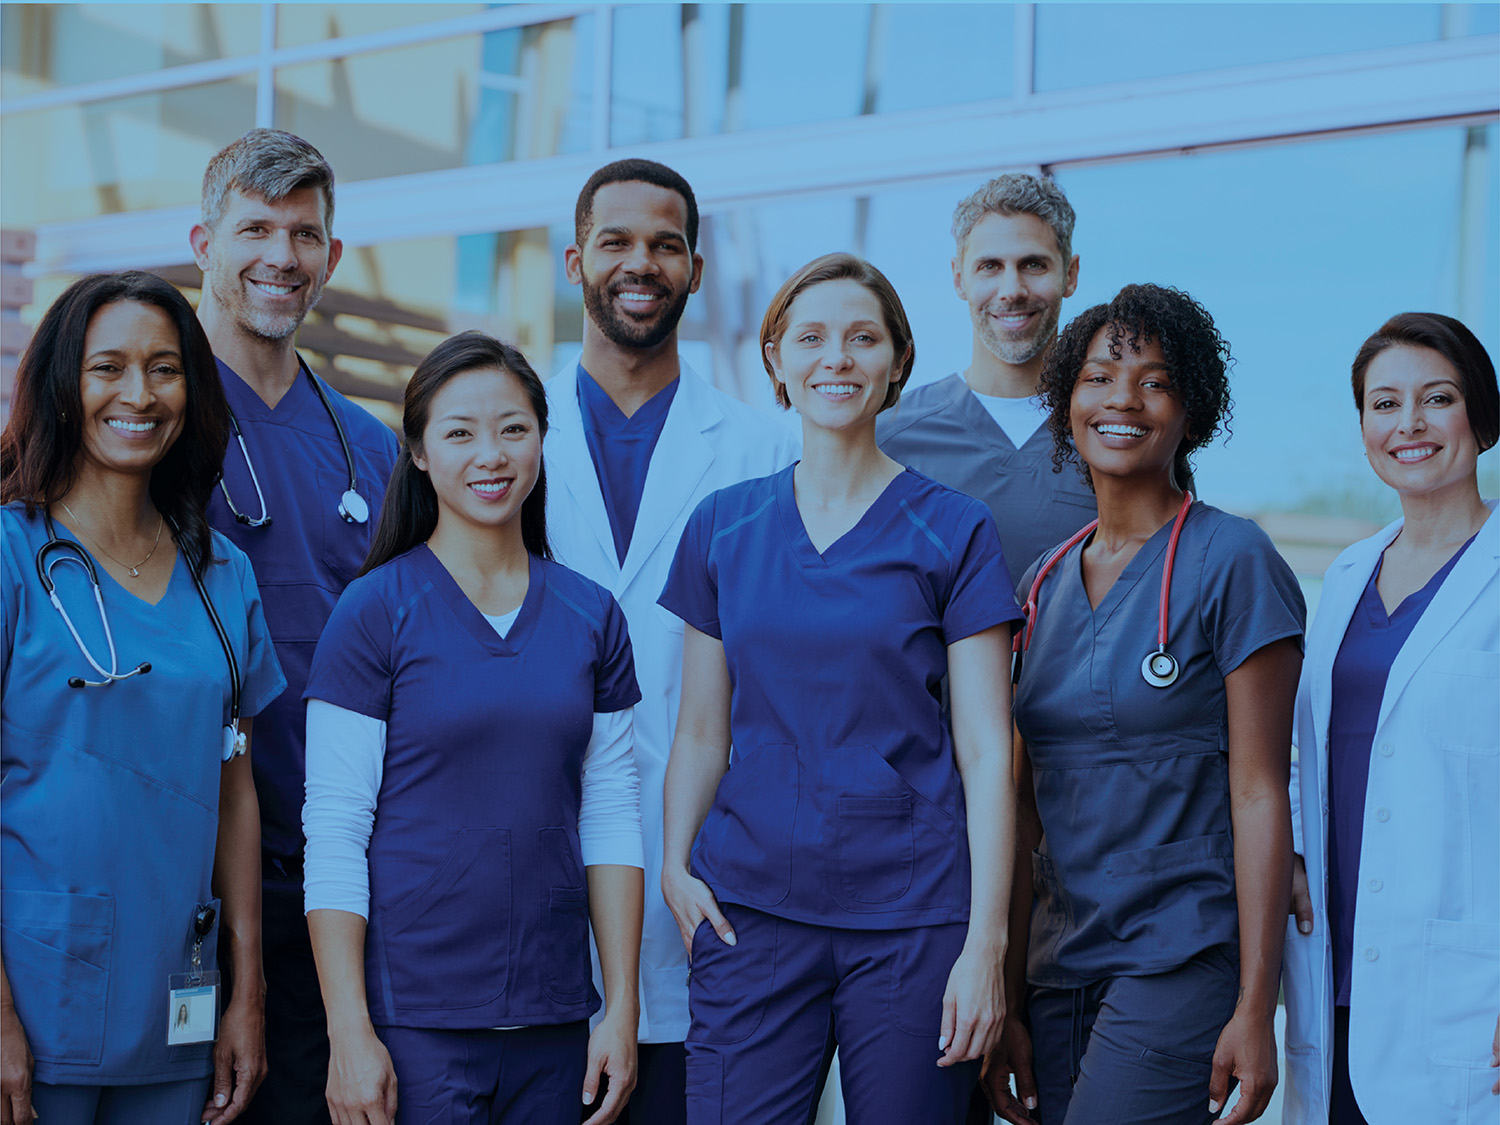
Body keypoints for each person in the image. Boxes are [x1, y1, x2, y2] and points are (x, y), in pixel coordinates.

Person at [659, 253, 1020, 1124]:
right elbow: (703, 730)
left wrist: (986, 944)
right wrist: (674, 864)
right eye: (812, 338)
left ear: (898, 359)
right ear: (775, 357)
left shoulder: (955, 529)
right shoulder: (723, 525)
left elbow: (985, 748)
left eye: (863, 339)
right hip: (752, 912)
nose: (838, 359)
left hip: (913, 920)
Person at [301, 332, 645, 1125]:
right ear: (418, 452)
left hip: (556, 1020)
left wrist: (620, 1006)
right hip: (414, 1021)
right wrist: (349, 1030)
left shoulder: (591, 614)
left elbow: (612, 814)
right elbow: (336, 832)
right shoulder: (374, 612)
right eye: (459, 432)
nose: (490, 454)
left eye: (513, 428)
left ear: (541, 440)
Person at [984, 284, 1304, 1125]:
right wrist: (1009, 992)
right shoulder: (1042, 583)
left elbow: (1261, 789)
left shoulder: (1234, 560)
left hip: (1180, 952)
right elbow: (1022, 805)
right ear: (1066, 404)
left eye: (1155, 381)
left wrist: (1256, 1001)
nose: (1123, 398)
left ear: (1190, 414)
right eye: (1098, 377)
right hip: (1061, 963)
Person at [544, 158, 798, 1123]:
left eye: (665, 244)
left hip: (715, 890)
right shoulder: (503, 437)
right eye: (615, 241)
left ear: (695, 268)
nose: (639, 262)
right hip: (533, 879)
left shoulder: (765, 452)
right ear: (576, 260)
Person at [0, 272, 285, 1125]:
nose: (138, 393)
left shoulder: (222, 575)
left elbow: (235, 781)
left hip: (178, 986)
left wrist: (249, 990)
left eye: (165, 368)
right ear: (63, 384)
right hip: (35, 990)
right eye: (108, 368)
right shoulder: (14, 555)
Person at [191, 128, 399, 1125]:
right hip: (190, 868)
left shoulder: (373, 447)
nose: (282, 254)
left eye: (305, 233)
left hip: (337, 882)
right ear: (203, 241)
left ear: (334, 256)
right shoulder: (149, 417)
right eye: (256, 228)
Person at [1281, 313, 1499, 1125]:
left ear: (1480, 413)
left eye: (1436, 398)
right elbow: (1310, 749)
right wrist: (1295, 853)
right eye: (1384, 404)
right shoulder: (1343, 574)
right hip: (1338, 968)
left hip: (1465, 987)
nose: (1408, 424)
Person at [877, 173, 1095, 587]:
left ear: (1071, 274)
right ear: (960, 278)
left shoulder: (1117, 432)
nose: (1011, 289)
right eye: (990, 266)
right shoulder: (888, 441)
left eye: (1033, 264)